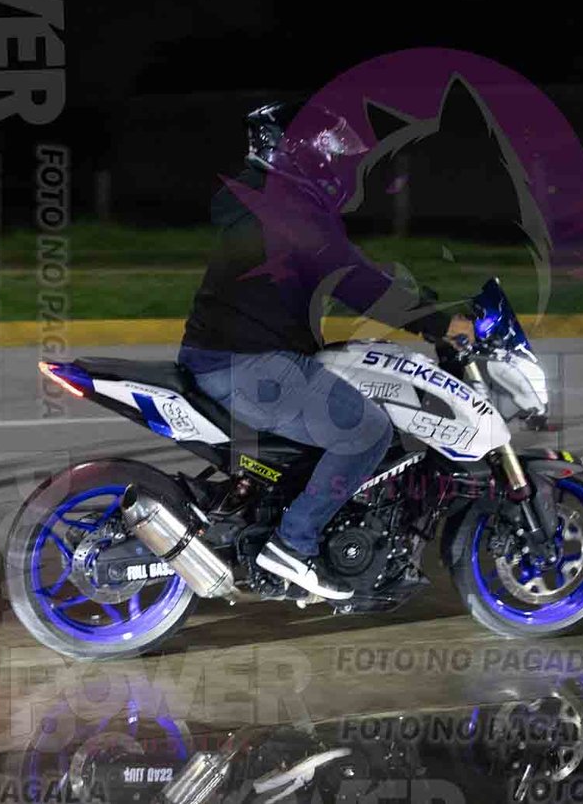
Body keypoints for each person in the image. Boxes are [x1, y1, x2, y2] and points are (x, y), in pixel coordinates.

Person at [177, 100, 472, 600]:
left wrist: (421, 305)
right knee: (366, 430)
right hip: (247, 365)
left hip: (234, 357)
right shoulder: (289, 213)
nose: (338, 169)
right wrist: (441, 323)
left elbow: (348, 271)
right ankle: (294, 544)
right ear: (303, 156)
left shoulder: (266, 205)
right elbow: (358, 282)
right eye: (331, 157)